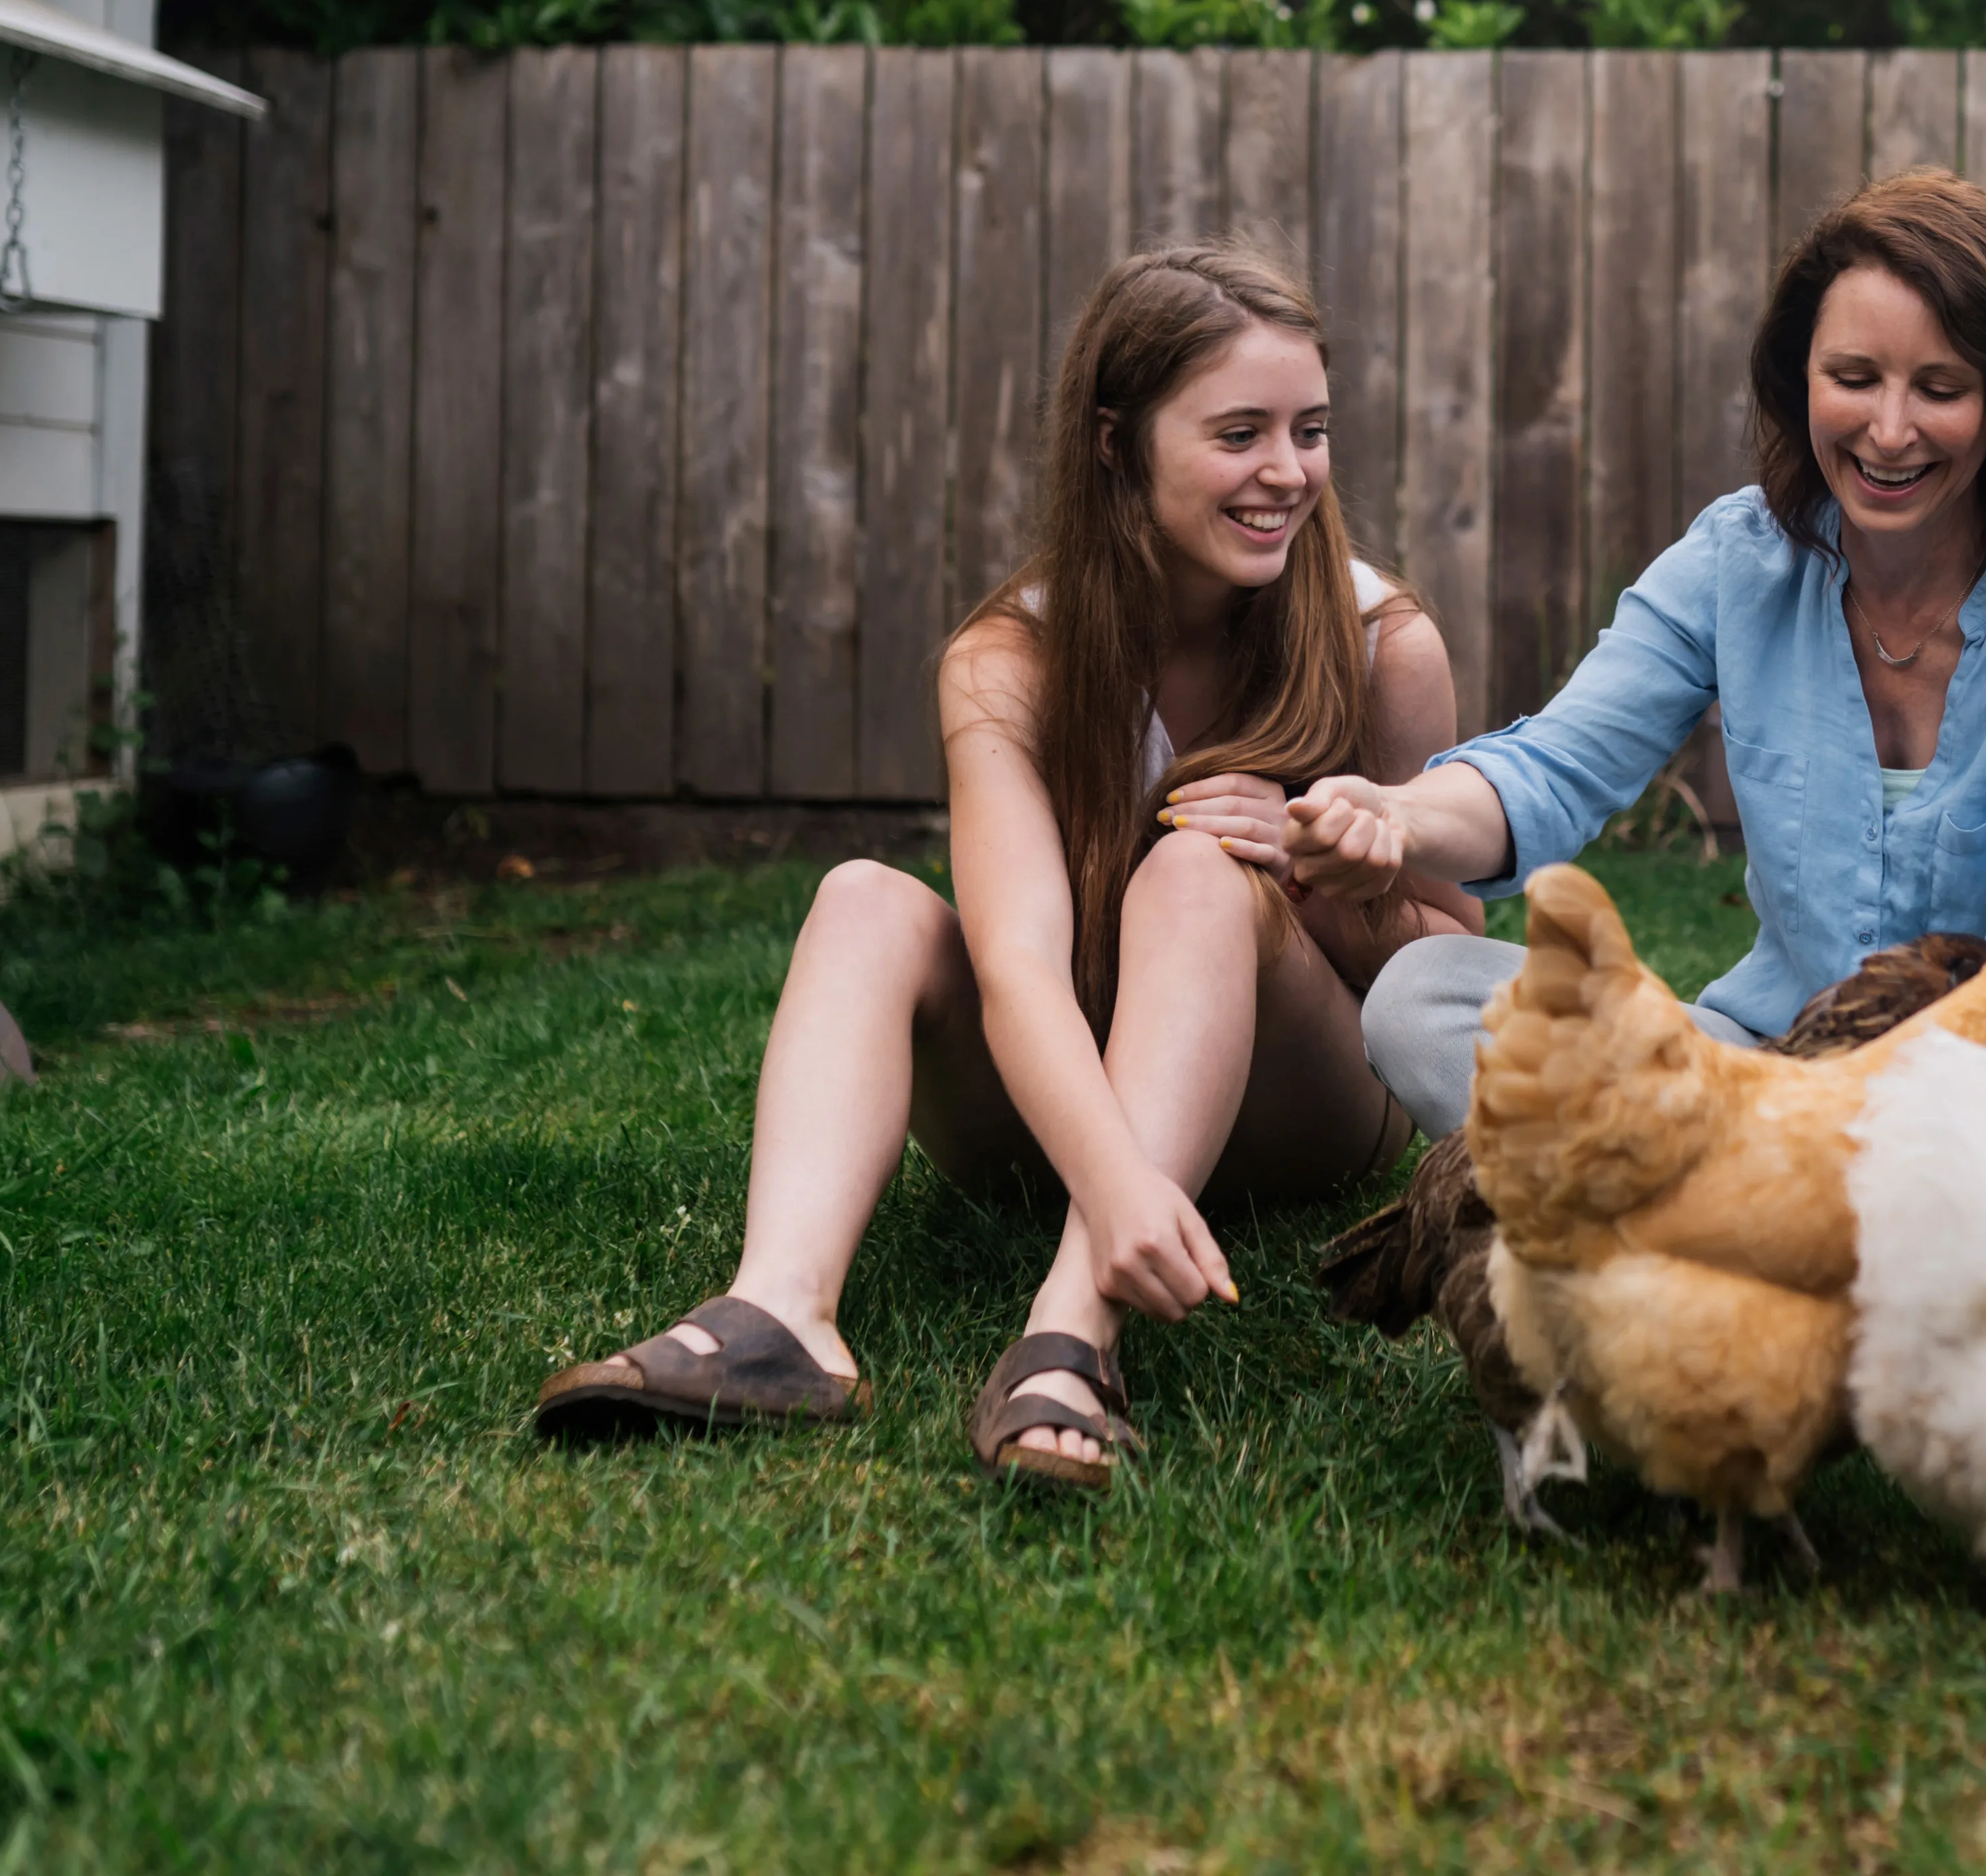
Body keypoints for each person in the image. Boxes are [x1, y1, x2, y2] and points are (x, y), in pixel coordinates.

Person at [534, 245, 1477, 1483]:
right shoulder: (1007, 662)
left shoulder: (1379, 643)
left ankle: (1068, 1335)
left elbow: (1450, 979)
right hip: (1061, 1096)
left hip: (1299, 1111)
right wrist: (1116, 1175)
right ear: (1113, 444)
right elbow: (1019, 963)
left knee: (1197, 875)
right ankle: (779, 1318)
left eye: (1311, 430)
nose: (1287, 473)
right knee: (864, 899)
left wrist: (1330, 880)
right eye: (1238, 433)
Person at [1302, 166, 1986, 1180]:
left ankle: (1724, 1220)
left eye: (1940, 389)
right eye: (1854, 379)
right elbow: (1552, 770)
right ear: (1799, 376)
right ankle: (1790, 1219)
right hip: (1761, 1065)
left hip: (1977, 1084)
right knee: (1424, 995)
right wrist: (1394, 815)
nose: (1889, 432)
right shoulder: (1737, 560)